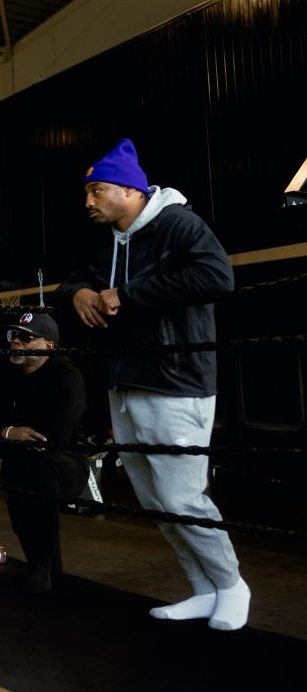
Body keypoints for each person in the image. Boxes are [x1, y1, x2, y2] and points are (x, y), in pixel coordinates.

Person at [55, 138, 249, 631]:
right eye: (86, 192)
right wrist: (78, 292)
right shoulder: (108, 240)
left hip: (176, 379)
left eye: (97, 191)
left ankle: (231, 587)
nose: (88, 202)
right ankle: (203, 590)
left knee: (183, 498)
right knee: (153, 499)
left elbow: (217, 275)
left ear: (129, 190)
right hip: (125, 382)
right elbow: (73, 279)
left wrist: (129, 295)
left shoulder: (178, 223)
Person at [0, 311, 89, 594]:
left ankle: (41, 565)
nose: (16, 343)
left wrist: (0, 445)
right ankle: (45, 568)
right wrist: (7, 432)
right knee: (22, 470)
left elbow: (52, 436)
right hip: (23, 461)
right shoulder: (2, 371)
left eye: (26, 337)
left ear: (49, 345)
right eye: (13, 336)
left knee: (33, 468)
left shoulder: (66, 375)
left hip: (67, 464)